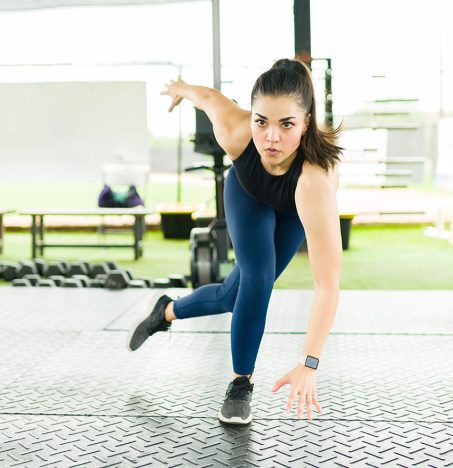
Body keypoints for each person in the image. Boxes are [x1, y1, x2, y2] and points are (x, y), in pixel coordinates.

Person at [127, 58, 343, 426]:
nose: (271, 137)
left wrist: (309, 363)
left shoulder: (314, 181)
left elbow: (327, 285)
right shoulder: (236, 131)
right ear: (251, 117)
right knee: (257, 280)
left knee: (233, 295)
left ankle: (165, 310)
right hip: (248, 190)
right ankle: (241, 383)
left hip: (294, 208)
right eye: (262, 121)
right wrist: (181, 88)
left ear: (306, 123)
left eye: (286, 124)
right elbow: (208, 97)